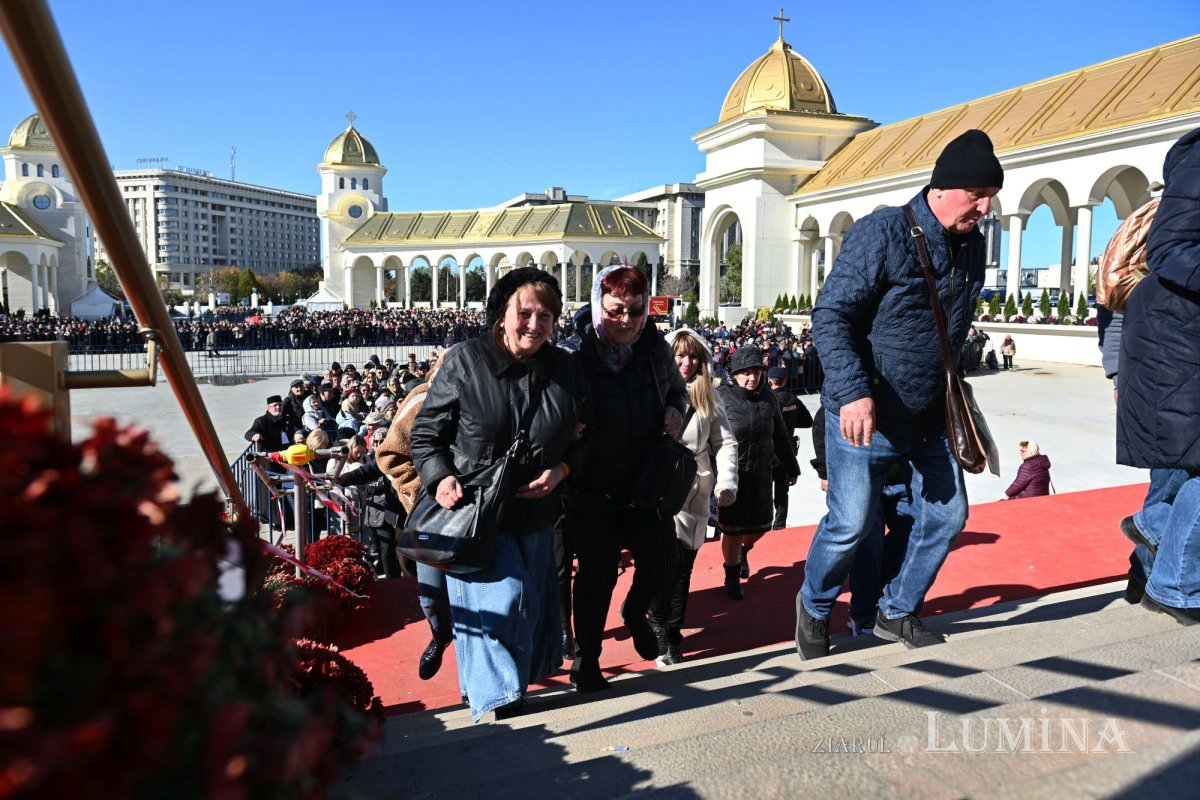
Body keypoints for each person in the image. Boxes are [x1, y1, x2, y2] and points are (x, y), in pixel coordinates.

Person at [796, 128, 1003, 659]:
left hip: (930, 417)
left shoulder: (972, 245)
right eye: (976, 196)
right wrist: (852, 390)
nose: (984, 208)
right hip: (866, 415)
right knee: (848, 524)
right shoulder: (883, 232)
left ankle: (897, 609)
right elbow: (831, 315)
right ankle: (816, 608)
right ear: (942, 187)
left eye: (990, 199)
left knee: (948, 516)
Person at [411, 268, 592, 721]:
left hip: (535, 515)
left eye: (546, 316)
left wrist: (563, 467)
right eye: (525, 313)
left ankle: (491, 690)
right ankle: (501, 700)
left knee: (526, 607)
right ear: (502, 315)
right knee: (503, 598)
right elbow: (425, 435)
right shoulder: (466, 360)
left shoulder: (567, 369)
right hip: (473, 514)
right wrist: (440, 477)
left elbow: (590, 436)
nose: (535, 324)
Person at [563, 264, 687, 693]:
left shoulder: (654, 347)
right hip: (591, 485)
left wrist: (677, 410)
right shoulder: (573, 354)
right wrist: (564, 427)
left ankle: (635, 613)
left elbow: (678, 391)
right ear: (599, 304)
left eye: (635, 311)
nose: (627, 321)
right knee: (596, 574)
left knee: (663, 559)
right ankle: (588, 658)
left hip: (645, 480)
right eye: (616, 310)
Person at [1116, 127, 1200, 626]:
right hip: (1175, 340)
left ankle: (1152, 526)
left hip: (1185, 336)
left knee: (1185, 466)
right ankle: (1174, 587)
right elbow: (1170, 248)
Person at [646, 328, 738, 665]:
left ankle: (672, 630)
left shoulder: (709, 397)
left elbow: (725, 442)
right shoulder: (650, 390)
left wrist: (726, 482)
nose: (685, 363)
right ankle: (658, 624)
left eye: (692, 356)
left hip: (693, 491)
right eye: (679, 356)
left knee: (683, 566)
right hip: (655, 491)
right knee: (659, 565)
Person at [375, 349, 456, 678]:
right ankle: (440, 634)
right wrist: (420, 494)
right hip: (432, 513)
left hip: (477, 511)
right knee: (431, 594)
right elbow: (391, 454)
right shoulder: (421, 399)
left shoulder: (485, 395)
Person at [716, 347, 801, 599]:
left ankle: (745, 550)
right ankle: (731, 575)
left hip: (763, 473)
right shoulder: (720, 397)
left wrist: (791, 466)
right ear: (734, 374)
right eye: (746, 373)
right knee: (731, 528)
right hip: (733, 474)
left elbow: (781, 435)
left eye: (757, 372)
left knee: (761, 526)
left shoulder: (768, 398)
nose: (752, 378)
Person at [767, 365, 813, 531]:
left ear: (769, 381)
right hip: (787, 453)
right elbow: (808, 421)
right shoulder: (793, 399)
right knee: (782, 492)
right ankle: (779, 526)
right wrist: (791, 422)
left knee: (764, 492)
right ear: (785, 380)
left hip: (769, 452)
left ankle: (764, 525)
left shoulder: (768, 399)